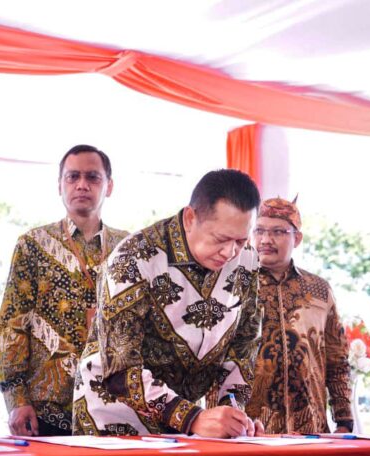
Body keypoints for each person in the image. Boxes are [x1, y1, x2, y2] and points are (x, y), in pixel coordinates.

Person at [72, 169, 262, 437]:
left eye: (241, 241)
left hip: (189, 420)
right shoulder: (134, 257)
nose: (230, 252)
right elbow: (120, 368)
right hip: (114, 414)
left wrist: (232, 415)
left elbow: (244, 345)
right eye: (220, 239)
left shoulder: (247, 261)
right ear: (190, 218)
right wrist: (191, 418)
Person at [0, 144, 128, 436]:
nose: (82, 185)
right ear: (59, 185)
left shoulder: (126, 248)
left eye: (92, 177)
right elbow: (12, 324)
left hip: (114, 408)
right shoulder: (33, 245)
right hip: (46, 410)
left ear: (109, 186)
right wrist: (16, 399)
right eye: (73, 176)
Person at [244, 197, 353, 434]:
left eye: (277, 232)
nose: (265, 240)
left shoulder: (320, 290)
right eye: (259, 230)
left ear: (298, 238)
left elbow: (337, 359)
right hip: (247, 429)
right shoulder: (233, 285)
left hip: (310, 428)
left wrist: (344, 419)